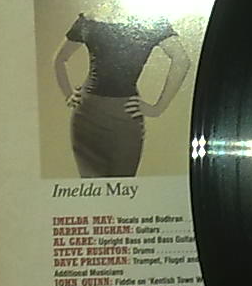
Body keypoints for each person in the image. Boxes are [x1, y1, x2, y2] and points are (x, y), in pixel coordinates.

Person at [53, 11, 191, 178]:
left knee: (118, 186)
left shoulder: (151, 21)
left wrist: (157, 109)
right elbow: (59, 59)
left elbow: (182, 60)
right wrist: (68, 95)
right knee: (95, 188)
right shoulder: (89, 20)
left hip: (120, 115)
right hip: (91, 116)